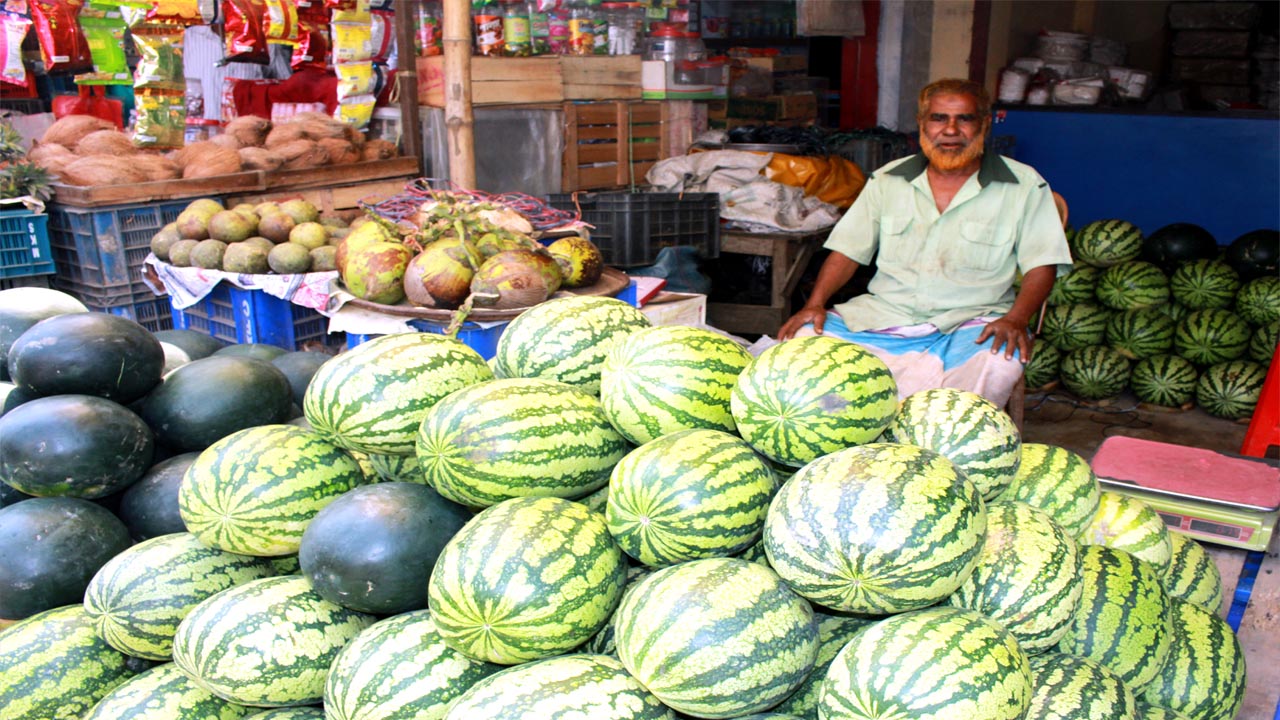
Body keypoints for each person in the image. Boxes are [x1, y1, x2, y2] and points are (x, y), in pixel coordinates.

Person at [777, 78, 1072, 408]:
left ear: (985, 125)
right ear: (921, 124)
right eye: (938, 118)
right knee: (802, 347)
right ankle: (855, 439)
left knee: (997, 365)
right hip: (883, 317)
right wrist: (815, 303)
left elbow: (1041, 265)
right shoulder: (888, 179)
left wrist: (1017, 319)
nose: (950, 130)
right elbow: (848, 250)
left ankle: (938, 443)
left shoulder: (1024, 185)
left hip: (970, 325)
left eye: (964, 118)